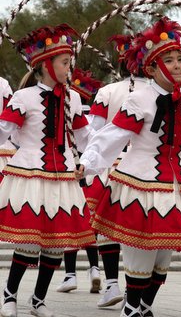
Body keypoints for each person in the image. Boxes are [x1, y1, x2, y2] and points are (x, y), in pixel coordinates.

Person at [75, 17, 181, 317]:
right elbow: (113, 136)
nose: (178, 65)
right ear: (152, 68)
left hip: (177, 189)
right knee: (140, 260)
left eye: (180, 58)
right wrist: (87, 163)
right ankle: (132, 307)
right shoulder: (138, 99)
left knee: (161, 264)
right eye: (169, 60)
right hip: (140, 186)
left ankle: (141, 307)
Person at [0, 24, 96, 317]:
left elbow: (86, 137)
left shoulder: (74, 99)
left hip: (63, 177)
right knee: (29, 242)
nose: (70, 68)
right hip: (31, 175)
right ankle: (9, 295)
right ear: (45, 65)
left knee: (56, 245)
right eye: (65, 63)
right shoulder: (24, 97)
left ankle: (38, 300)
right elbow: (4, 131)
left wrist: (87, 162)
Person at [86, 34, 150, 309]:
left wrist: (89, 159)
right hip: (144, 167)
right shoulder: (158, 93)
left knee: (107, 228)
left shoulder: (108, 92)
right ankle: (135, 290)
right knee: (136, 229)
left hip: (110, 164)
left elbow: (95, 131)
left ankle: (112, 282)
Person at [56, 68, 104, 294]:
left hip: (70, 168)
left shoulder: (73, 111)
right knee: (88, 223)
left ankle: (70, 275)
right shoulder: (87, 115)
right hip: (90, 170)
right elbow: (93, 141)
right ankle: (95, 268)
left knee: (70, 221)